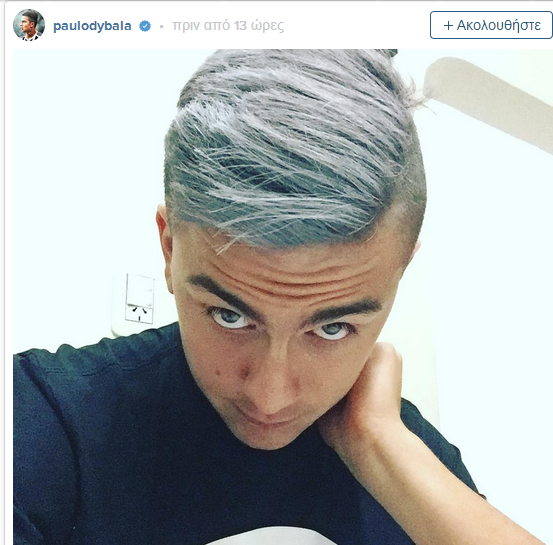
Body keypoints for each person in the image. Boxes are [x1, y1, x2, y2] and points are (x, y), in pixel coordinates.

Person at [14, 50, 543, 544]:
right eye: (229, 316)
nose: (270, 397)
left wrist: (380, 444)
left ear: (400, 271)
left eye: (332, 328)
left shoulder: (417, 460)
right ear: (169, 247)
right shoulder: (42, 419)